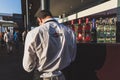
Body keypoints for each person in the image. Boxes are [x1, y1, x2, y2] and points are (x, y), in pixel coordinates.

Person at [22, 10, 76, 80]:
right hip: (63, 75)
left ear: (40, 19)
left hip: (42, 77)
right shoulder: (70, 32)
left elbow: (28, 66)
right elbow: (72, 57)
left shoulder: (33, 33)